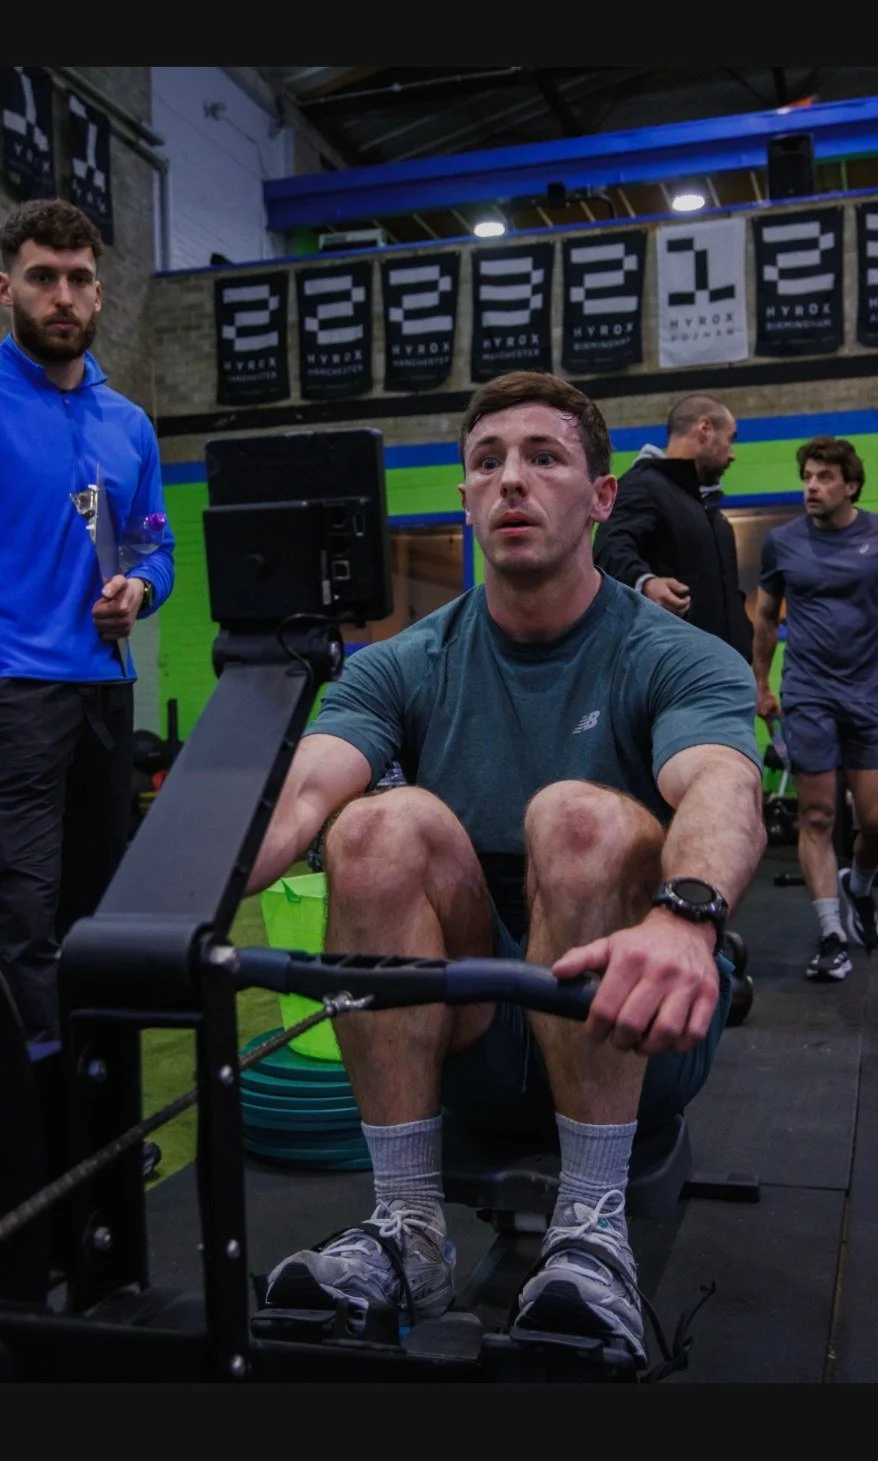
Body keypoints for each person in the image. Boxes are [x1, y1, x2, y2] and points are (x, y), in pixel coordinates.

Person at [245, 370, 765, 1365]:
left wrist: (686, 915)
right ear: (465, 498)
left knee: (579, 818)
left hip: (636, 1013)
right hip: (469, 1031)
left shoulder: (675, 653)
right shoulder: (402, 662)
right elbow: (304, 792)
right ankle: (406, 1228)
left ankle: (593, 1232)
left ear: (601, 497)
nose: (510, 481)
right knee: (374, 826)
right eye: (486, 462)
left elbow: (720, 783)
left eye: (543, 458)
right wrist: (182, 889)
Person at [0, 197, 175, 1044]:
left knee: (100, 916)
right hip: (16, 696)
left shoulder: (129, 426)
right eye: (43, 277)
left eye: (78, 279)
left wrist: (138, 587)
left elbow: (156, 547)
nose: (62, 296)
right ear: (7, 289)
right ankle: (41, 1106)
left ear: (100, 293)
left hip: (106, 696)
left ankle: (102, 1095)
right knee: (23, 918)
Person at [753, 434, 878, 982]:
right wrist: (761, 682)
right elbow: (765, 616)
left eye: (825, 477)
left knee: (875, 821)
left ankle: (861, 885)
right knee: (819, 815)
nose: (812, 486)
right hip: (809, 693)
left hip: (869, 692)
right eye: (807, 476)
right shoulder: (782, 543)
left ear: (850, 485)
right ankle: (832, 935)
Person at [592, 394, 753, 663]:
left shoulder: (711, 515)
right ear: (704, 429)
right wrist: (645, 582)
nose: (732, 453)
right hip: (674, 668)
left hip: (726, 670)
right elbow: (609, 548)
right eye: (730, 438)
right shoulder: (643, 485)